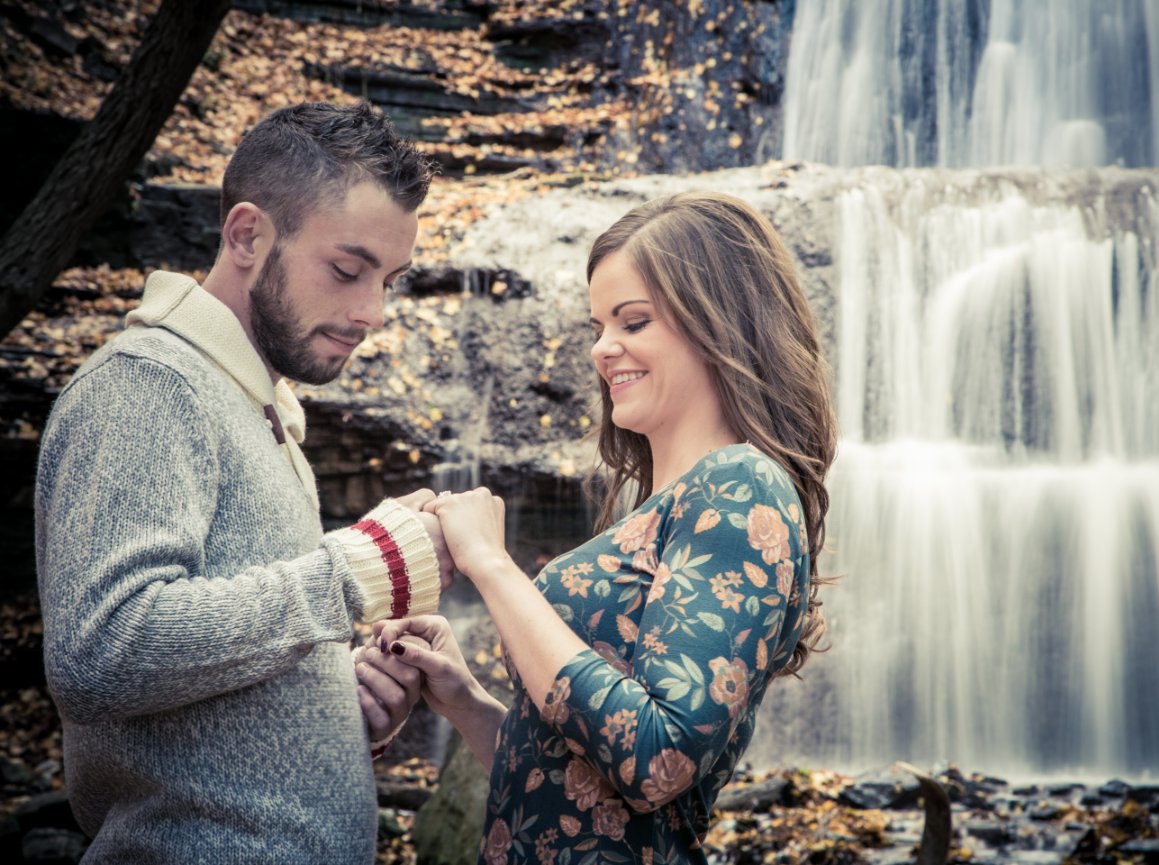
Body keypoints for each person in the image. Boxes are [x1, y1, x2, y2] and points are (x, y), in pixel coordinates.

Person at [365, 191, 838, 864]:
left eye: (633, 321)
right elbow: (577, 795)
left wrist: (491, 567)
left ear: (719, 323)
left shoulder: (739, 487)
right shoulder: (672, 504)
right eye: (597, 326)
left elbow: (655, 761)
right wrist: (466, 699)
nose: (601, 349)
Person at [35, 101, 447, 864]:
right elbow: (100, 652)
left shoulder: (253, 405)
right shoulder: (148, 385)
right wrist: (355, 573)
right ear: (248, 234)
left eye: (388, 279)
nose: (372, 311)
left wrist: (329, 705)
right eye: (348, 270)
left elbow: (208, 674)